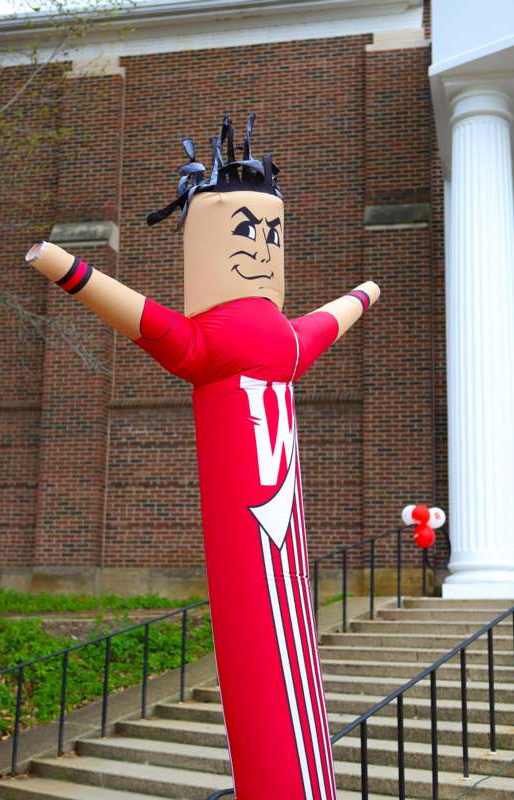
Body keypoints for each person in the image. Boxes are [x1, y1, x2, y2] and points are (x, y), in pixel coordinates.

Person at [26, 115, 380, 800]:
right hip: (253, 507)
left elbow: (325, 318)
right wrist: (61, 264)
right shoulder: (214, 343)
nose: (260, 244)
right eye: (244, 230)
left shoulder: (272, 341)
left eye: (269, 233)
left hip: (275, 517)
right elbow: (141, 314)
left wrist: (362, 296)